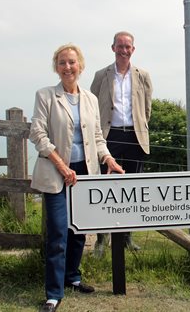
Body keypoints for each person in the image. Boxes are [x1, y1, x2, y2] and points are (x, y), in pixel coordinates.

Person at [30, 43, 124, 312]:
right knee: (58, 232)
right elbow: (38, 134)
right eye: (62, 62)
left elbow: (96, 138)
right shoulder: (45, 96)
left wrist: (109, 159)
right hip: (56, 173)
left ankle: (73, 277)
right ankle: (53, 293)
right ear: (56, 67)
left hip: (85, 173)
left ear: (80, 66)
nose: (67, 67)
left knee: (80, 230)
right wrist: (61, 165)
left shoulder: (90, 99)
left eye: (72, 62)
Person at [90, 31, 153, 256]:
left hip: (135, 138)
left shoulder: (143, 75)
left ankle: (127, 237)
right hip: (110, 137)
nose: (124, 50)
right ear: (113, 48)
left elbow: (147, 108)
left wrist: (140, 127)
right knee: (106, 188)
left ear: (133, 49)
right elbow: (91, 108)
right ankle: (101, 238)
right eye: (120, 46)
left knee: (132, 189)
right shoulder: (101, 75)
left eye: (128, 46)